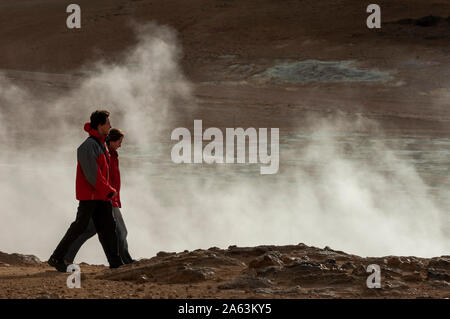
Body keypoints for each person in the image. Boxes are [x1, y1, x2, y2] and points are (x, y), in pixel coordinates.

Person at [48, 110, 124, 271]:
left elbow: (101, 173)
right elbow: (92, 174)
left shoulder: (100, 144)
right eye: (108, 123)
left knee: (109, 227)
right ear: (100, 125)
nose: (110, 126)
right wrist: (109, 190)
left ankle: (116, 264)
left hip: (100, 196)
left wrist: (107, 192)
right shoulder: (87, 146)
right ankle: (56, 257)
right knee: (79, 226)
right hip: (90, 197)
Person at [64, 128, 134, 265]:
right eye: (119, 141)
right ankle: (126, 261)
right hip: (104, 199)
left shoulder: (112, 155)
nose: (121, 145)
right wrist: (109, 194)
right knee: (119, 231)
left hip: (108, 198)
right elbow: (101, 177)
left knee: (89, 230)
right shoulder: (105, 154)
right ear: (112, 141)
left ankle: (66, 257)